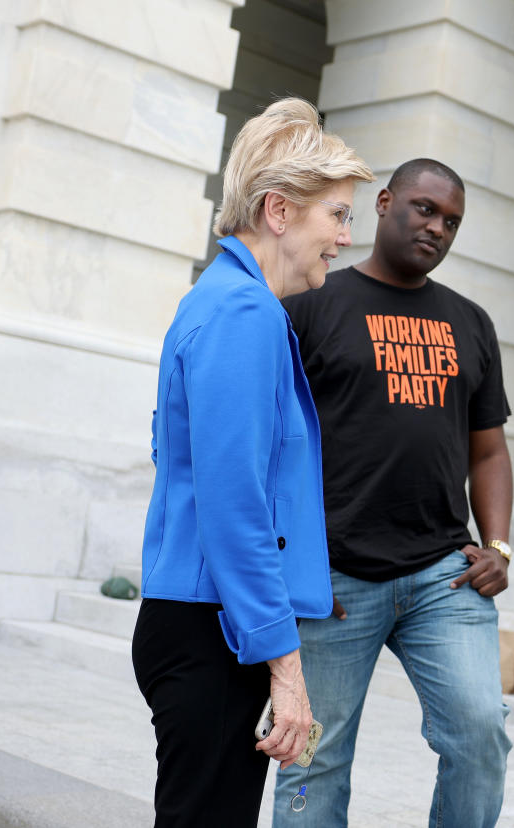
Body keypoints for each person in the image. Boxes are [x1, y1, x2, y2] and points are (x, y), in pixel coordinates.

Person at [132, 98, 373, 827]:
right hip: (214, 632)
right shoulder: (244, 313)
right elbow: (235, 507)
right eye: (336, 214)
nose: (345, 236)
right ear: (278, 211)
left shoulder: (224, 301)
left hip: (206, 622)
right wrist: (286, 667)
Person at [274, 158, 514, 827]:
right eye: (423, 208)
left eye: (451, 221)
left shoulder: (470, 321)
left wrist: (497, 544)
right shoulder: (313, 303)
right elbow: (270, 440)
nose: (436, 227)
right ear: (383, 203)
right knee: (311, 755)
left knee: (480, 734)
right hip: (334, 578)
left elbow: (489, 448)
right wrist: (292, 557)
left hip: (442, 575)